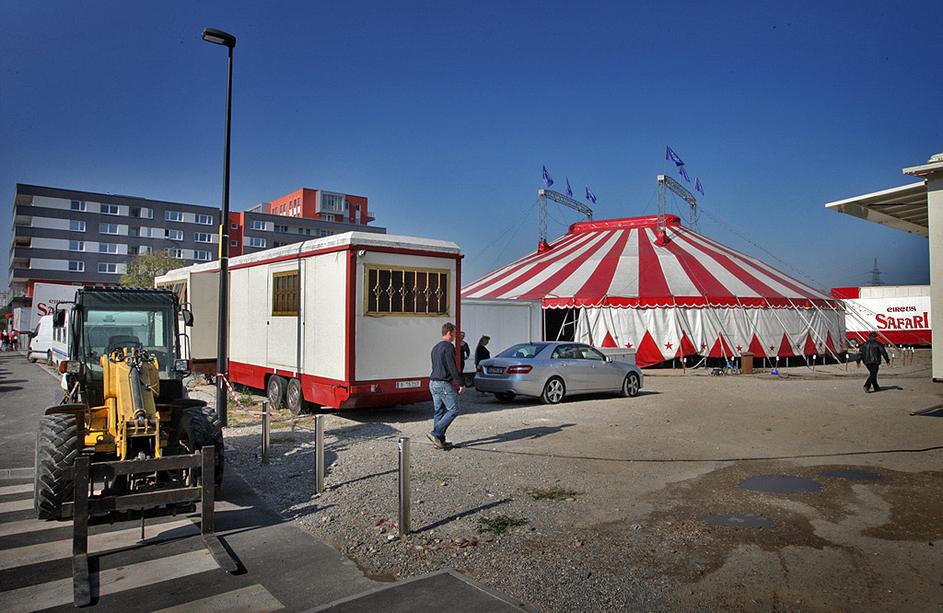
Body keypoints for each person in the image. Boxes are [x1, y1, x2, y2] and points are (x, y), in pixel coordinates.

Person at [428, 322, 464, 449]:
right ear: (449, 332)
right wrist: (460, 383)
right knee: (454, 409)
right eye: (454, 333)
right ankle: (436, 433)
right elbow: (452, 366)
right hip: (443, 383)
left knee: (439, 411)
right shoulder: (448, 347)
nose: (455, 336)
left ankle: (439, 441)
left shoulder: (435, 347)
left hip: (433, 382)